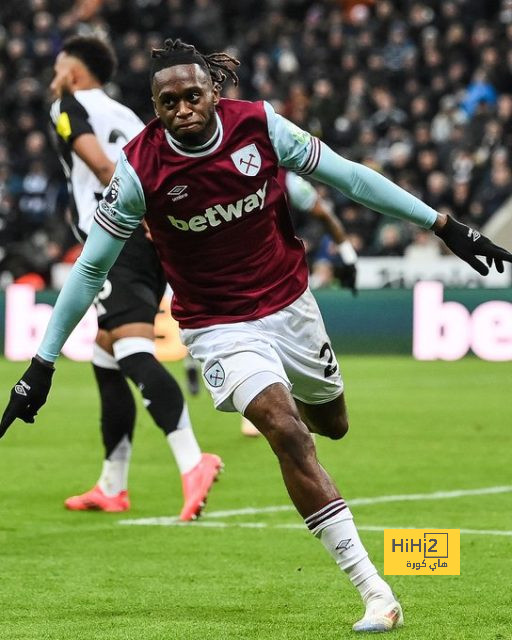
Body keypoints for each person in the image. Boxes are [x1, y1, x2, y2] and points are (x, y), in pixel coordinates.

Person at [2, 38, 511, 632]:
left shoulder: (262, 126)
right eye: (169, 102)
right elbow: (91, 267)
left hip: (291, 306)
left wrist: (444, 225)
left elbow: (348, 178)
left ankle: (278, 390)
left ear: (214, 93)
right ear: (155, 107)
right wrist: (42, 362)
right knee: (286, 432)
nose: (184, 108)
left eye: (194, 95)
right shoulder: (139, 169)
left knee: (332, 424)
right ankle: (375, 590)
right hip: (216, 325)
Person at [46, 35, 222, 519]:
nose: (55, 77)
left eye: (60, 68)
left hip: (117, 234)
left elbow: (102, 165)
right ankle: (112, 484)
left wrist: (132, 213)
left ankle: (192, 460)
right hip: (154, 241)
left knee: (131, 350)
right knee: (106, 355)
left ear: (75, 72)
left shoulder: (67, 105)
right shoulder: (127, 115)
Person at [241, 168, 357, 437]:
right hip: (240, 289)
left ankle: (299, 407)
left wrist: (348, 254)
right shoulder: (211, 174)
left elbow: (323, 213)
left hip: (287, 284)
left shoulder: (287, 180)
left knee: (335, 425)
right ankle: (263, 407)